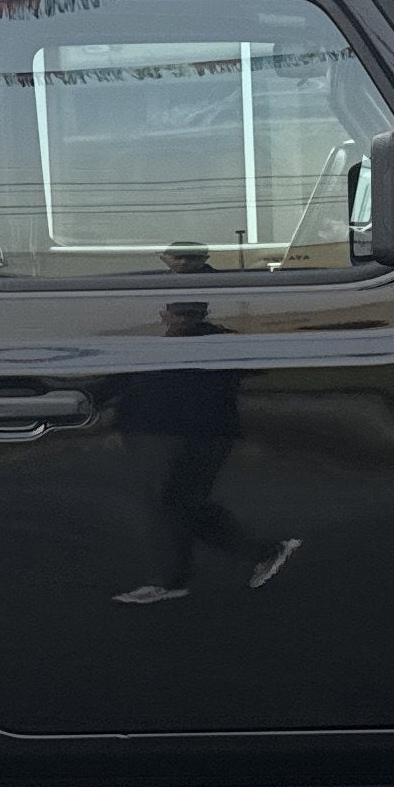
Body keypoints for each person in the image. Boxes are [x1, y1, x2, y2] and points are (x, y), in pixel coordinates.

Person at [112, 254, 300, 605]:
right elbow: (118, 380)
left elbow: (261, 364)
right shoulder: (154, 343)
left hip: (201, 433)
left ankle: (260, 552)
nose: (181, 318)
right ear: (164, 314)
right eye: (177, 313)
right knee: (169, 504)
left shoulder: (216, 341)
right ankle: (174, 578)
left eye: (189, 313)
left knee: (176, 502)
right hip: (157, 431)